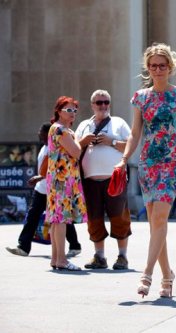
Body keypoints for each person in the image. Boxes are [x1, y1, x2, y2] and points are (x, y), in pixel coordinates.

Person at [115, 43, 176, 298]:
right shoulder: (141, 97)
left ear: (170, 68)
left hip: (171, 161)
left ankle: (147, 274)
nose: (158, 70)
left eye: (162, 66)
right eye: (153, 66)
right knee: (156, 223)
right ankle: (168, 275)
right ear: (148, 68)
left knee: (159, 220)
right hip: (148, 162)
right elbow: (135, 133)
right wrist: (124, 159)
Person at [75, 90, 132, 270]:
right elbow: (74, 149)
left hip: (114, 179)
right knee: (94, 218)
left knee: (119, 217)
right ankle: (99, 257)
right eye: (99, 103)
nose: (103, 106)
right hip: (89, 180)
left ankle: (122, 256)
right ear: (92, 105)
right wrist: (84, 141)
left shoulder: (118, 123)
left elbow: (131, 146)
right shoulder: (84, 125)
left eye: (106, 102)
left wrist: (111, 142)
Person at [6, 123, 82, 257]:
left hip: (53, 189)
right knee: (32, 217)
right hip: (40, 189)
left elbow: (54, 168)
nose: (38, 134)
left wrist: (38, 177)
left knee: (61, 219)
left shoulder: (54, 148)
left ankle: (75, 246)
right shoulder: (43, 147)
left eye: (41, 132)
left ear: (48, 134)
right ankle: (23, 247)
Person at [45, 96, 88, 271]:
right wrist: (82, 140)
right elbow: (76, 151)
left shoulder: (61, 129)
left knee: (56, 220)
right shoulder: (60, 130)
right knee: (61, 219)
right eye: (68, 110)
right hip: (61, 179)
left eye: (75, 111)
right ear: (58, 111)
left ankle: (56, 259)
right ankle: (61, 259)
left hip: (59, 178)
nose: (72, 114)